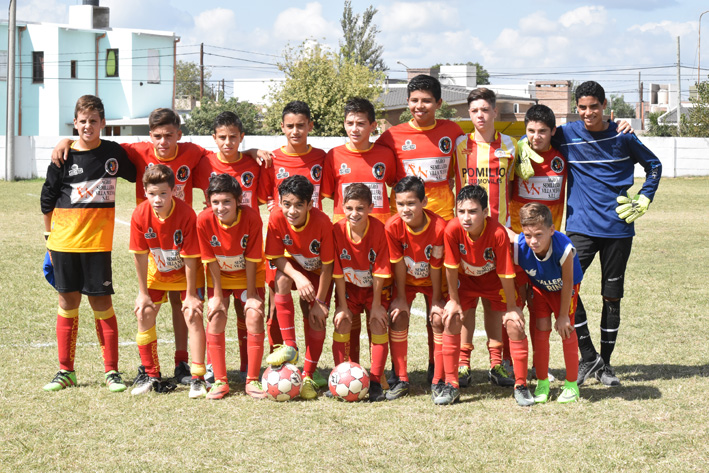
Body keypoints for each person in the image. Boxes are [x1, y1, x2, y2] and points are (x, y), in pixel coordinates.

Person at [51, 108, 271, 386]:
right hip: (154, 242)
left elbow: (224, 152)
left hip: (184, 240)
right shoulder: (138, 151)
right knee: (149, 308)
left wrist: (251, 150)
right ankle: (150, 370)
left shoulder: (193, 153)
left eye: (169, 135)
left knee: (187, 305)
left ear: (179, 135)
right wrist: (66, 142)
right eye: (157, 136)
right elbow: (95, 145)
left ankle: (186, 364)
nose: (164, 141)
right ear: (150, 136)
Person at [549, 81, 662, 386]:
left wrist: (644, 197)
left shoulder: (623, 135)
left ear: (604, 105)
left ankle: (607, 366)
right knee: (564, 286)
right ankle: (588, 357)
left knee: (611, 297)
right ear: (577, 108)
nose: (588, 113)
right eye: (582, 107)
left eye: (594, 107)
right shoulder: (566, 135)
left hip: (617, 229)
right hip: (580, 227)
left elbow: (654, 165)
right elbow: (538, 137)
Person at [40, 94, 136, 392]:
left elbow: (138, 169)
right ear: (75, 123)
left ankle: (112, 372)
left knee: (102, 304)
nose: (88, 126)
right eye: (83, 121)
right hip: (64, 243)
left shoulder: (113, 153)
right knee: (67, 303)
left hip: (97, 246)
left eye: (94, 121)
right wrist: (48, 239)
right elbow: (47, 199)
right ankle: (66, 371)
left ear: (103, 123)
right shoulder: (63, 157)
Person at [377, 75, 462, 379]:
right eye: (414, 100)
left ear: (439, 103)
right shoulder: (391, 137)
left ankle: (434, 366)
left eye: (426, 100)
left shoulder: (453, 132)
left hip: (442, 230)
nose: (419, 106)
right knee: (398, 305)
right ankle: (396, 373)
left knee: (436, 306)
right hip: (404, 233)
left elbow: (462, 169)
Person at [321, 97, 397, 365]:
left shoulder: (386, 155)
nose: (355, 128)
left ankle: (377, 375)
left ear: (372, 126)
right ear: (344, 124)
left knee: (377, 315)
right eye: (350, 123)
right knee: (347, 316)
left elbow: (396, 187)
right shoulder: (334, 156)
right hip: (346, 241)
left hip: (379, 239)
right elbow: (330, 194)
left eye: (361, 123)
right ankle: (348, 370)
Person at [193, 111, 266, 382]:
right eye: (221, 137)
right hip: (219, 254)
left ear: (241, 137)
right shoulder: (203, 163)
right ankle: (215, 370)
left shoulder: (253, 163)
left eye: (233, 137)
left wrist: (253, 151)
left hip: (247, 248)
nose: (227, 142)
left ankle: (250, 369)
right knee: (216, 310)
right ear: (214, 138)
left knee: (249, 312)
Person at [452, 88, 518, 387]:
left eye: (485, 110)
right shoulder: (459, 146)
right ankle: (463, 364)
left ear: (495, 113)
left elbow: (513, 187)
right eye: (475, 110)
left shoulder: (511, 146)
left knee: (496, 303)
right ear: (470, 114)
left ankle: (497, 364)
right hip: (467, 234)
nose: (480, 115)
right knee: (466, 304)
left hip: (499, 235)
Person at [443, 185, 530, 406]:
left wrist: (512, 306)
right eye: (461, 211)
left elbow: (506, 272)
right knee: (460, 316)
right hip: (466, 280)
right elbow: (451, 268)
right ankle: (463, 367)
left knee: (499, 315)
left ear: (485, 213)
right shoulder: (452, 230)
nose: (466, 217)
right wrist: (453, 301)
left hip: (493, 279)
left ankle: (496, 365)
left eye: (472, 211)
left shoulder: (498, 233)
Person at [259, 101, 327, 380]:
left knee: (312, 307)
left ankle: (310, 370)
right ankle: (283, 366)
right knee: (276, 300)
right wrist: (253, 151)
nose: (295, 131)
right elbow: (267, 201)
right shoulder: (271, 160)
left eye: (301, 125)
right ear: (282, 128)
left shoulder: (323, 157)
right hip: (283, 246)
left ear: (310, 126)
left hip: (313, 244)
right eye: (290, 126)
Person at [129, 165, 206, 397]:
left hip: (186, 275)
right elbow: (140, 256)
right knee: (144, 312)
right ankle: (150, 374)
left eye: (163, 193)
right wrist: (142, 293)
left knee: (192, 314)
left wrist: (191, 295)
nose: (158, 199)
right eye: (152, 194)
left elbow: (192, 259)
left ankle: (197, 376)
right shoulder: (140, 214)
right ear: (145, 192)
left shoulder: (186, 214)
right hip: (157, 274)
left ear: (173, 191)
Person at [264, 175, 336, 400]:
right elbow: (275, 257)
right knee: (282, 280)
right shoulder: (276, 217)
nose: (291, 211)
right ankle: (291, 347)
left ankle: (308, 375)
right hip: (295, 268)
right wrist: (297, 277)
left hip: (319, 274)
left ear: (310, 205)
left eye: (298, 205)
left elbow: (328, 267)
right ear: (280, 202)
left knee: (314, 315)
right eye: (287, 204)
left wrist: (321, 302)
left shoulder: (323, 223)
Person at [196, 173, 266, 400]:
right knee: (216, 315)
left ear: (239, 201)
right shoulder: (204, 220)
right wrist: (217, 296)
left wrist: (252, 295)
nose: (220, 207)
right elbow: (210, 260)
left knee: (253, 315)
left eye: (227, 201)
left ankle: (252, 380)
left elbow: (253, 259)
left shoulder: (252, 218)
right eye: (215, 202)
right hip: (220, 279)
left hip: (248, 277)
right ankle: (220, 380)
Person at [384, 176, 447, 401]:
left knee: (438, 318)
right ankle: (401, 377)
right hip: (407, 282)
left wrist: (438, 299)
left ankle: (437, 375)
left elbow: (437, 266)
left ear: (424, 202)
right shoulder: (392, 227)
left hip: (434, 282)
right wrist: (401, 297)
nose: (405, 209)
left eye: (411, 203)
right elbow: (398, 263)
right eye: (400, 204)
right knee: (398, 315)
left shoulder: (440, 228)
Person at [514, 203, 583, 403]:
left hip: (564, 290)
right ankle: (542, 382)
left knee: (566, 330)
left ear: (552, 230)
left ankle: (571, 385)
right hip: (540, 289)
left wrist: (563, 316)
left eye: (538, 235)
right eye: (528, 235)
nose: (533, 241)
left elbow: (568, 282)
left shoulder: (564, 248)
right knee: (541, 330)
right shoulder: (520, 246)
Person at [331, 184, 392, 402]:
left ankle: (375, 381)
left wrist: (376, 305)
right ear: (342, 207)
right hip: (349, 289)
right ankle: (342, 376)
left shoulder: (379, 230)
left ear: (370, 208)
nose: (354, 214)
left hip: (375, 290)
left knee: (377, 323)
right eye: (349, 208)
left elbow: (380, 271)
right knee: (343, 322)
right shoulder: (336, 230)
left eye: (360, 208)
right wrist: (341, 305)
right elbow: (336, 270)